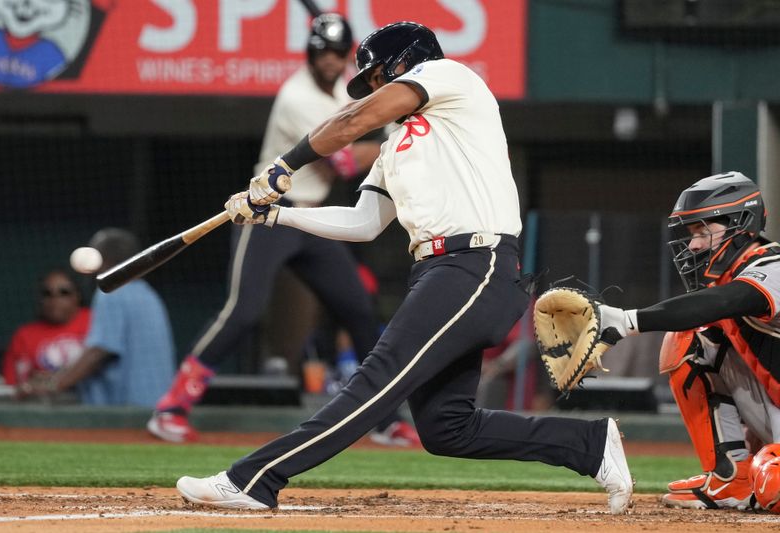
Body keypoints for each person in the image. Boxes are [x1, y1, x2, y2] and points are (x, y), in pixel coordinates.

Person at [173, 21, 633, 515]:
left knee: (376, 379)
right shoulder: (395, 148)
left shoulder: (452, 77)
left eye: (376, 75)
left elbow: (353, 119)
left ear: (404, 62)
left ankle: (254, 479)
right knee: (447, 428)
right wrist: (277, 215)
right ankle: (590, 443)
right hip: (438, 271)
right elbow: (362, 222)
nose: (374, 87)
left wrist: (284, 167)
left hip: (475, 263)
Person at [147, 13, 419, 447]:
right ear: (309, 54)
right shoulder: (298, 98)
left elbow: (369, 122)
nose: (329, 61)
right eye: (321, 53)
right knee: (244, 310)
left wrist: (384, 116)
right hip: (268, 212)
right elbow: (345, 161)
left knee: (357, 309)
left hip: (314, 217)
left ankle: (385, 418)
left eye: (335, 53)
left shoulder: (351, 85)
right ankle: (171, 407)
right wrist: (390, 129)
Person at [582, 171, 780, 510]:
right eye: (692, 233)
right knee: (689, 336)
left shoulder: (771, 263)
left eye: (704, 230)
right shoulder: (728, 280)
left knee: (774, 484)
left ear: (741, 225)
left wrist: (628, 320)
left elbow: (729, 301)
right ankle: (730, 477)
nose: (695, 244)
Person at [25, 228, 175, 407]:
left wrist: (54, 384)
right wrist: (60, 375)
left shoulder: (112, 290)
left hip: (130, 413)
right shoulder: (148, 294)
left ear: (102, 258)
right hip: (159, 408)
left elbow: (98, 353)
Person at [2, 269, 90, 397]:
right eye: (47, 293)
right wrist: (32, 382)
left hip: (89, 402)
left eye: (64, 292)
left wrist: (58, 378)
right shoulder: (25, 335)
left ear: (77, 296)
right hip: (45, 407)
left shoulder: (95, 321)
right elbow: (14, 385)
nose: (55, 298)